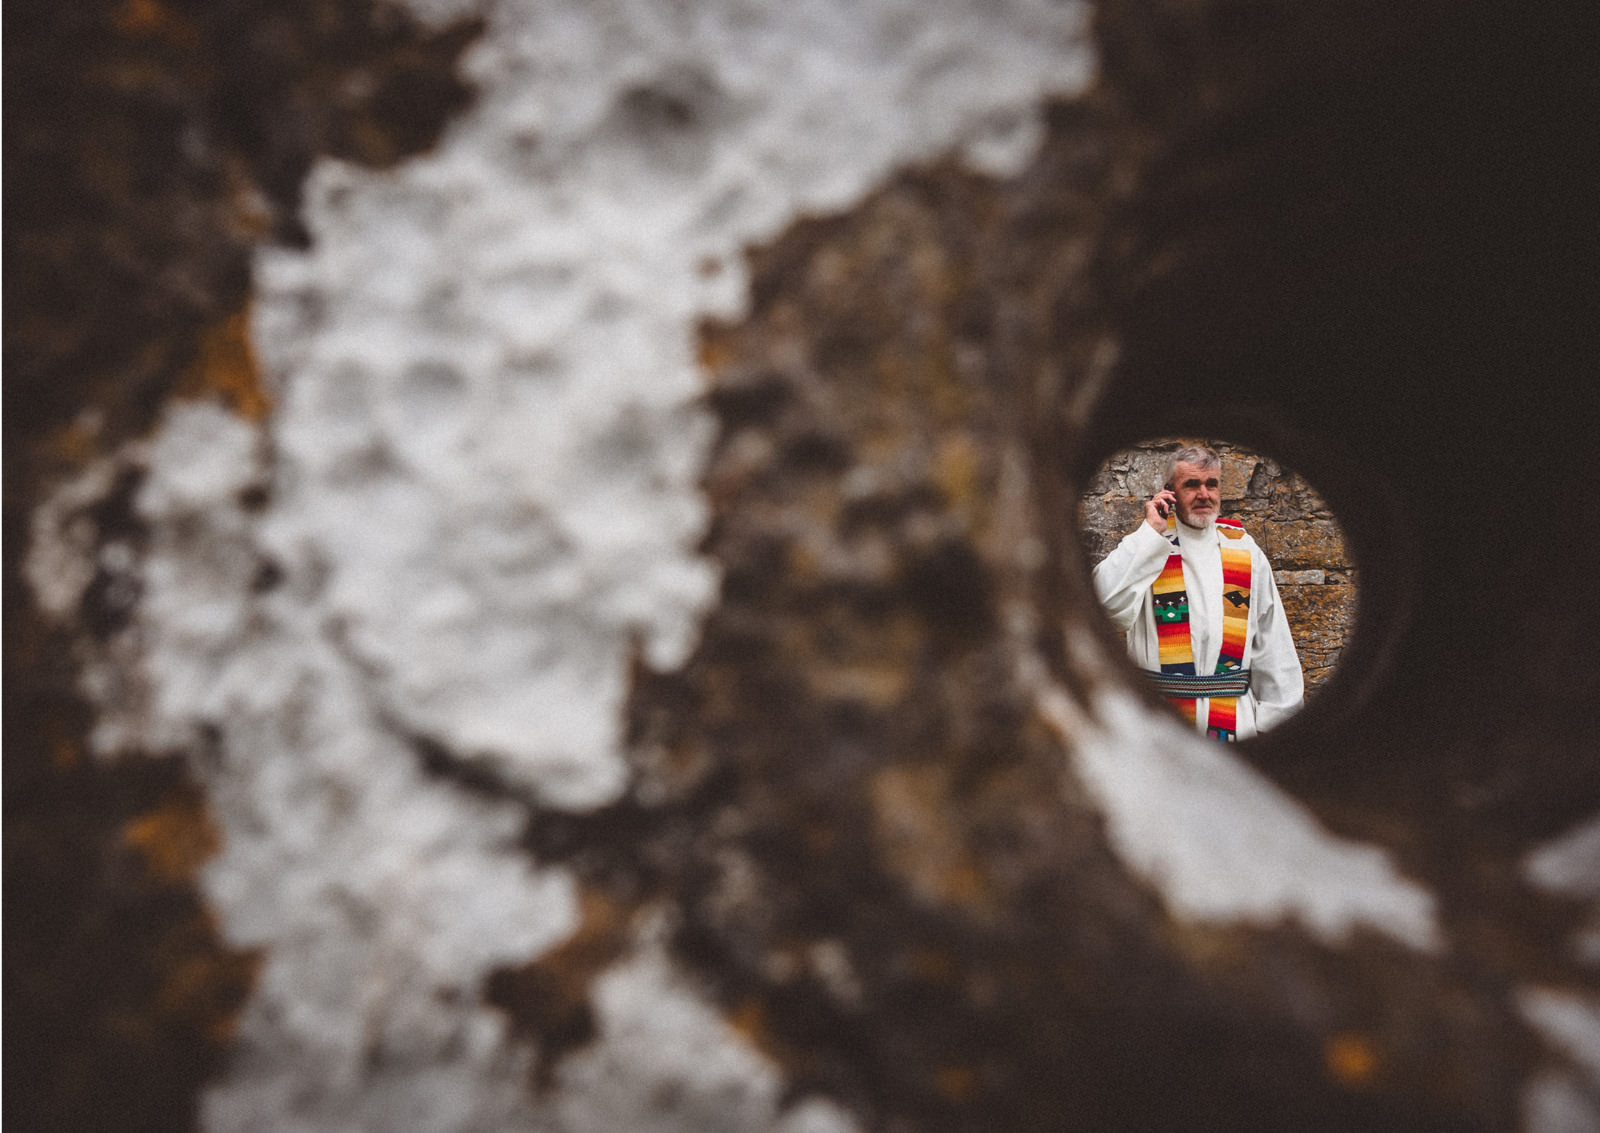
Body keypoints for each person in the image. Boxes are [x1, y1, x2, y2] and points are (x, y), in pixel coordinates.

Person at [1092, 445, 1304, 741]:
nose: (1204, 494)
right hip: (1158, 729)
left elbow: (1274, 650)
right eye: (1191, 484)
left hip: (1234, 727)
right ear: (1170, 492)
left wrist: (1275, 735)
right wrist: (1149, 534)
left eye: (1211, 484)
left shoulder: (1245, 551)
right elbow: (1105, 604)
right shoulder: (1147, 547)